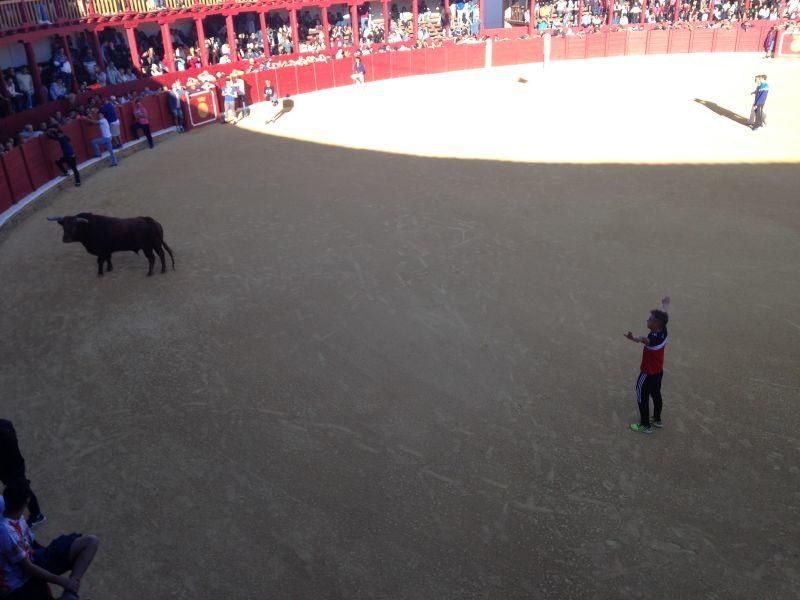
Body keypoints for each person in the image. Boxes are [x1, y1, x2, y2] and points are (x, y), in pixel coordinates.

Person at [1, 479, 99, 600]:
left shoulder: (11, 512)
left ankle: (69, 594)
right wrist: (63, 581)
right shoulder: (7, 533)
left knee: (91, 542)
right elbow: (28, 568)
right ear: (27, 500)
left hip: (36, 558)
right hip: (21, 582)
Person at [625, 296, 670, 434]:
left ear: (656, 324)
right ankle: (657, 419)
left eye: (650, 319)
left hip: (648, 373)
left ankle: (645, 425)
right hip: (658, 372)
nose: (647, 320)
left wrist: (633, 338)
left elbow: (644, 340)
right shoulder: (663, 330)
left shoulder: (652, 338)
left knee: (641, 394)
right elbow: (663, 316)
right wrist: (664, 305)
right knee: (656, 394)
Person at [0, 421, 44, 529]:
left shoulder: (3, 436)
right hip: (15, 464)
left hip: (10, 469)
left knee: (22, 489)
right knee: (22, 488)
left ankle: (37, 515)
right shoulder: (5, 424)